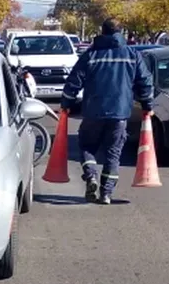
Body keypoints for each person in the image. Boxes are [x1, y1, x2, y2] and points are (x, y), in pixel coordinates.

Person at [60, 18, 154, 205]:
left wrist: (66, 104)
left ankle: (91, 176)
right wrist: (147, 106)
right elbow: (145, 82)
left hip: (93, 111)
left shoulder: (91, 55)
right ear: (121, 32)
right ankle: (106, 194)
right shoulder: (132, 55)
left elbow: (74, 81)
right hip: (120, 113)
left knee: (87, 146)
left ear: (102, 32)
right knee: (113, 153)